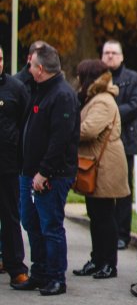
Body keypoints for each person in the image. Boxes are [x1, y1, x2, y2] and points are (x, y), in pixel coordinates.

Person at [12, 43, 80, 296]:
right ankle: (39, 272)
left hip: (51, 174)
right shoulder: (40, 89)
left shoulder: (61, 95)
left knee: (50, 226)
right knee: (31, 222)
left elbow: (59, 140)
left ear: (40, 68)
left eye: (30, 64)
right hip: (29, 171)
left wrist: (45, 172)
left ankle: (55, 277)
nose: (27, 68)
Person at [71, 59, 129, 280]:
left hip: (105, 165)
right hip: (96, 162)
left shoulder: (103, 101)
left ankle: (108, 263)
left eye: (79, 75)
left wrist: (65, 126)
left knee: (105, 217)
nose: (77, 79)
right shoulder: (95, 99)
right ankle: (97, 259)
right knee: (96, 216)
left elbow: (87, 130)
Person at [101, 40, 137, 250]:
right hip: (99, 143)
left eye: (114, 53)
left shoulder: (133, 79)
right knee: (101, 189)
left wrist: (108, 114)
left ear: (122, 56)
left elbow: (135, 106)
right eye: (106, 53)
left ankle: (122, 233)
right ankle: (105, 231)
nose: (110, 56)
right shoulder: (97, 79)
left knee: (123, 188)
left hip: (124, 140)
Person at [0, 45, 29, 286]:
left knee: (10, 217)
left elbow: (25, 123)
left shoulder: (15, 89)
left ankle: (16, 266)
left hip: (7, 164)